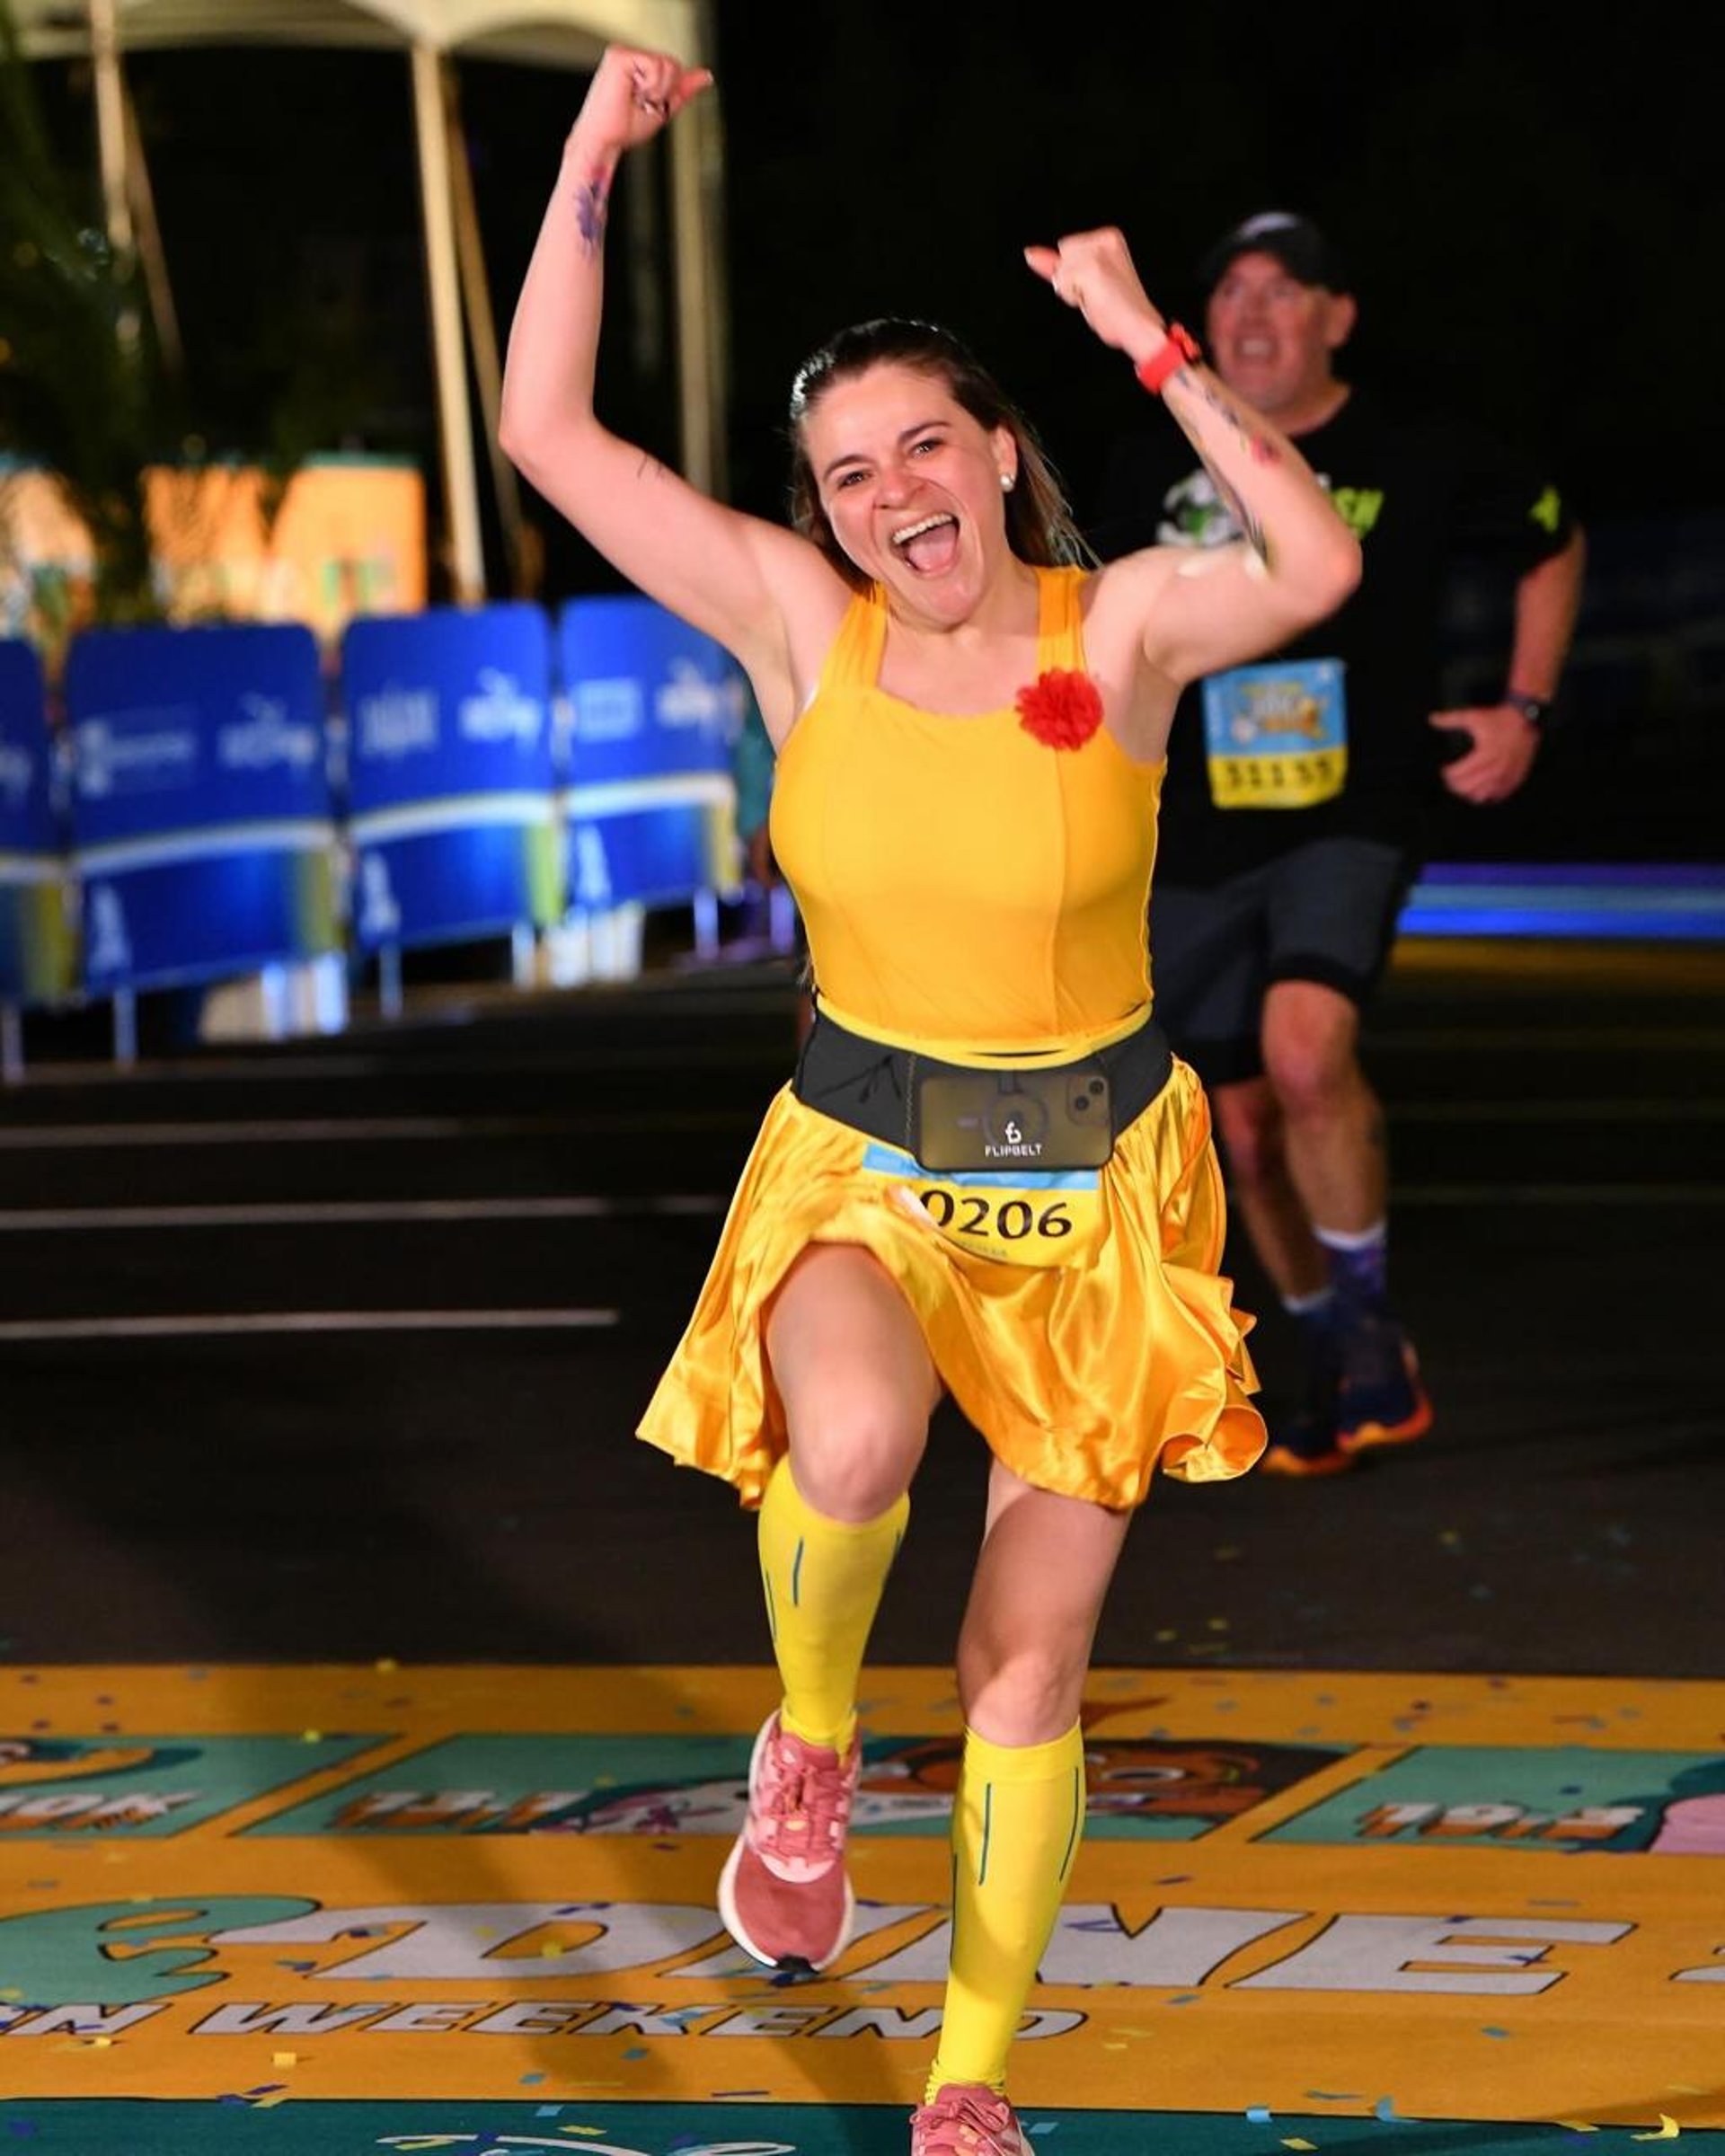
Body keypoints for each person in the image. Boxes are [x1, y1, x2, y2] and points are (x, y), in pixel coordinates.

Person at [500, 56, 1359, 2155]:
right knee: (860, 1439)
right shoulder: (806, 631)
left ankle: (968, 2081)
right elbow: (546, 432)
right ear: (823, 514)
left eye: (924, 445)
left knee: (1021, 1673)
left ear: (995, 456)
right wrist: (593, 150)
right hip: (866, 1171)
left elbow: (1313, 564)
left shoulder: (1123, 630)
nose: (893, 492)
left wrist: (1152, 341)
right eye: (848, 471)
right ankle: (806, 1750)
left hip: (1101, 1203)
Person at [1092, 209, 1586, 1478]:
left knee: (1306, 1051)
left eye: (1285, 290)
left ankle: (1365, 1332)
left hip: (1349, 813)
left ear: (1338, 318)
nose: (1253, 313)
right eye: (1232, 292)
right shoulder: (1145, 462)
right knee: (1244, 1129)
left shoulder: (1416, 449)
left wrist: (1523, 710)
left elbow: (1552, 539)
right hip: (1189, 835)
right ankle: (1330, 1342)